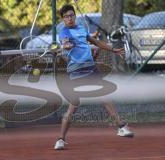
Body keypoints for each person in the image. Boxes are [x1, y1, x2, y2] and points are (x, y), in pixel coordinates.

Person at [54, 4, 134, 150]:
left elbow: (95, 42)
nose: (70, 18)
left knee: (105, 97)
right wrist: (66, 46)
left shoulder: (81, 29)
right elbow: (65, 43)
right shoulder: (64, 32)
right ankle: (60, 139)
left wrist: (113, 50)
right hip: (76, 73)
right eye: (66, 16)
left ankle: (121, 127)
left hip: (91, 69)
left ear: (75, 16)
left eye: (72, 15)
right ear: (63, 19)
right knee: (73, 107)